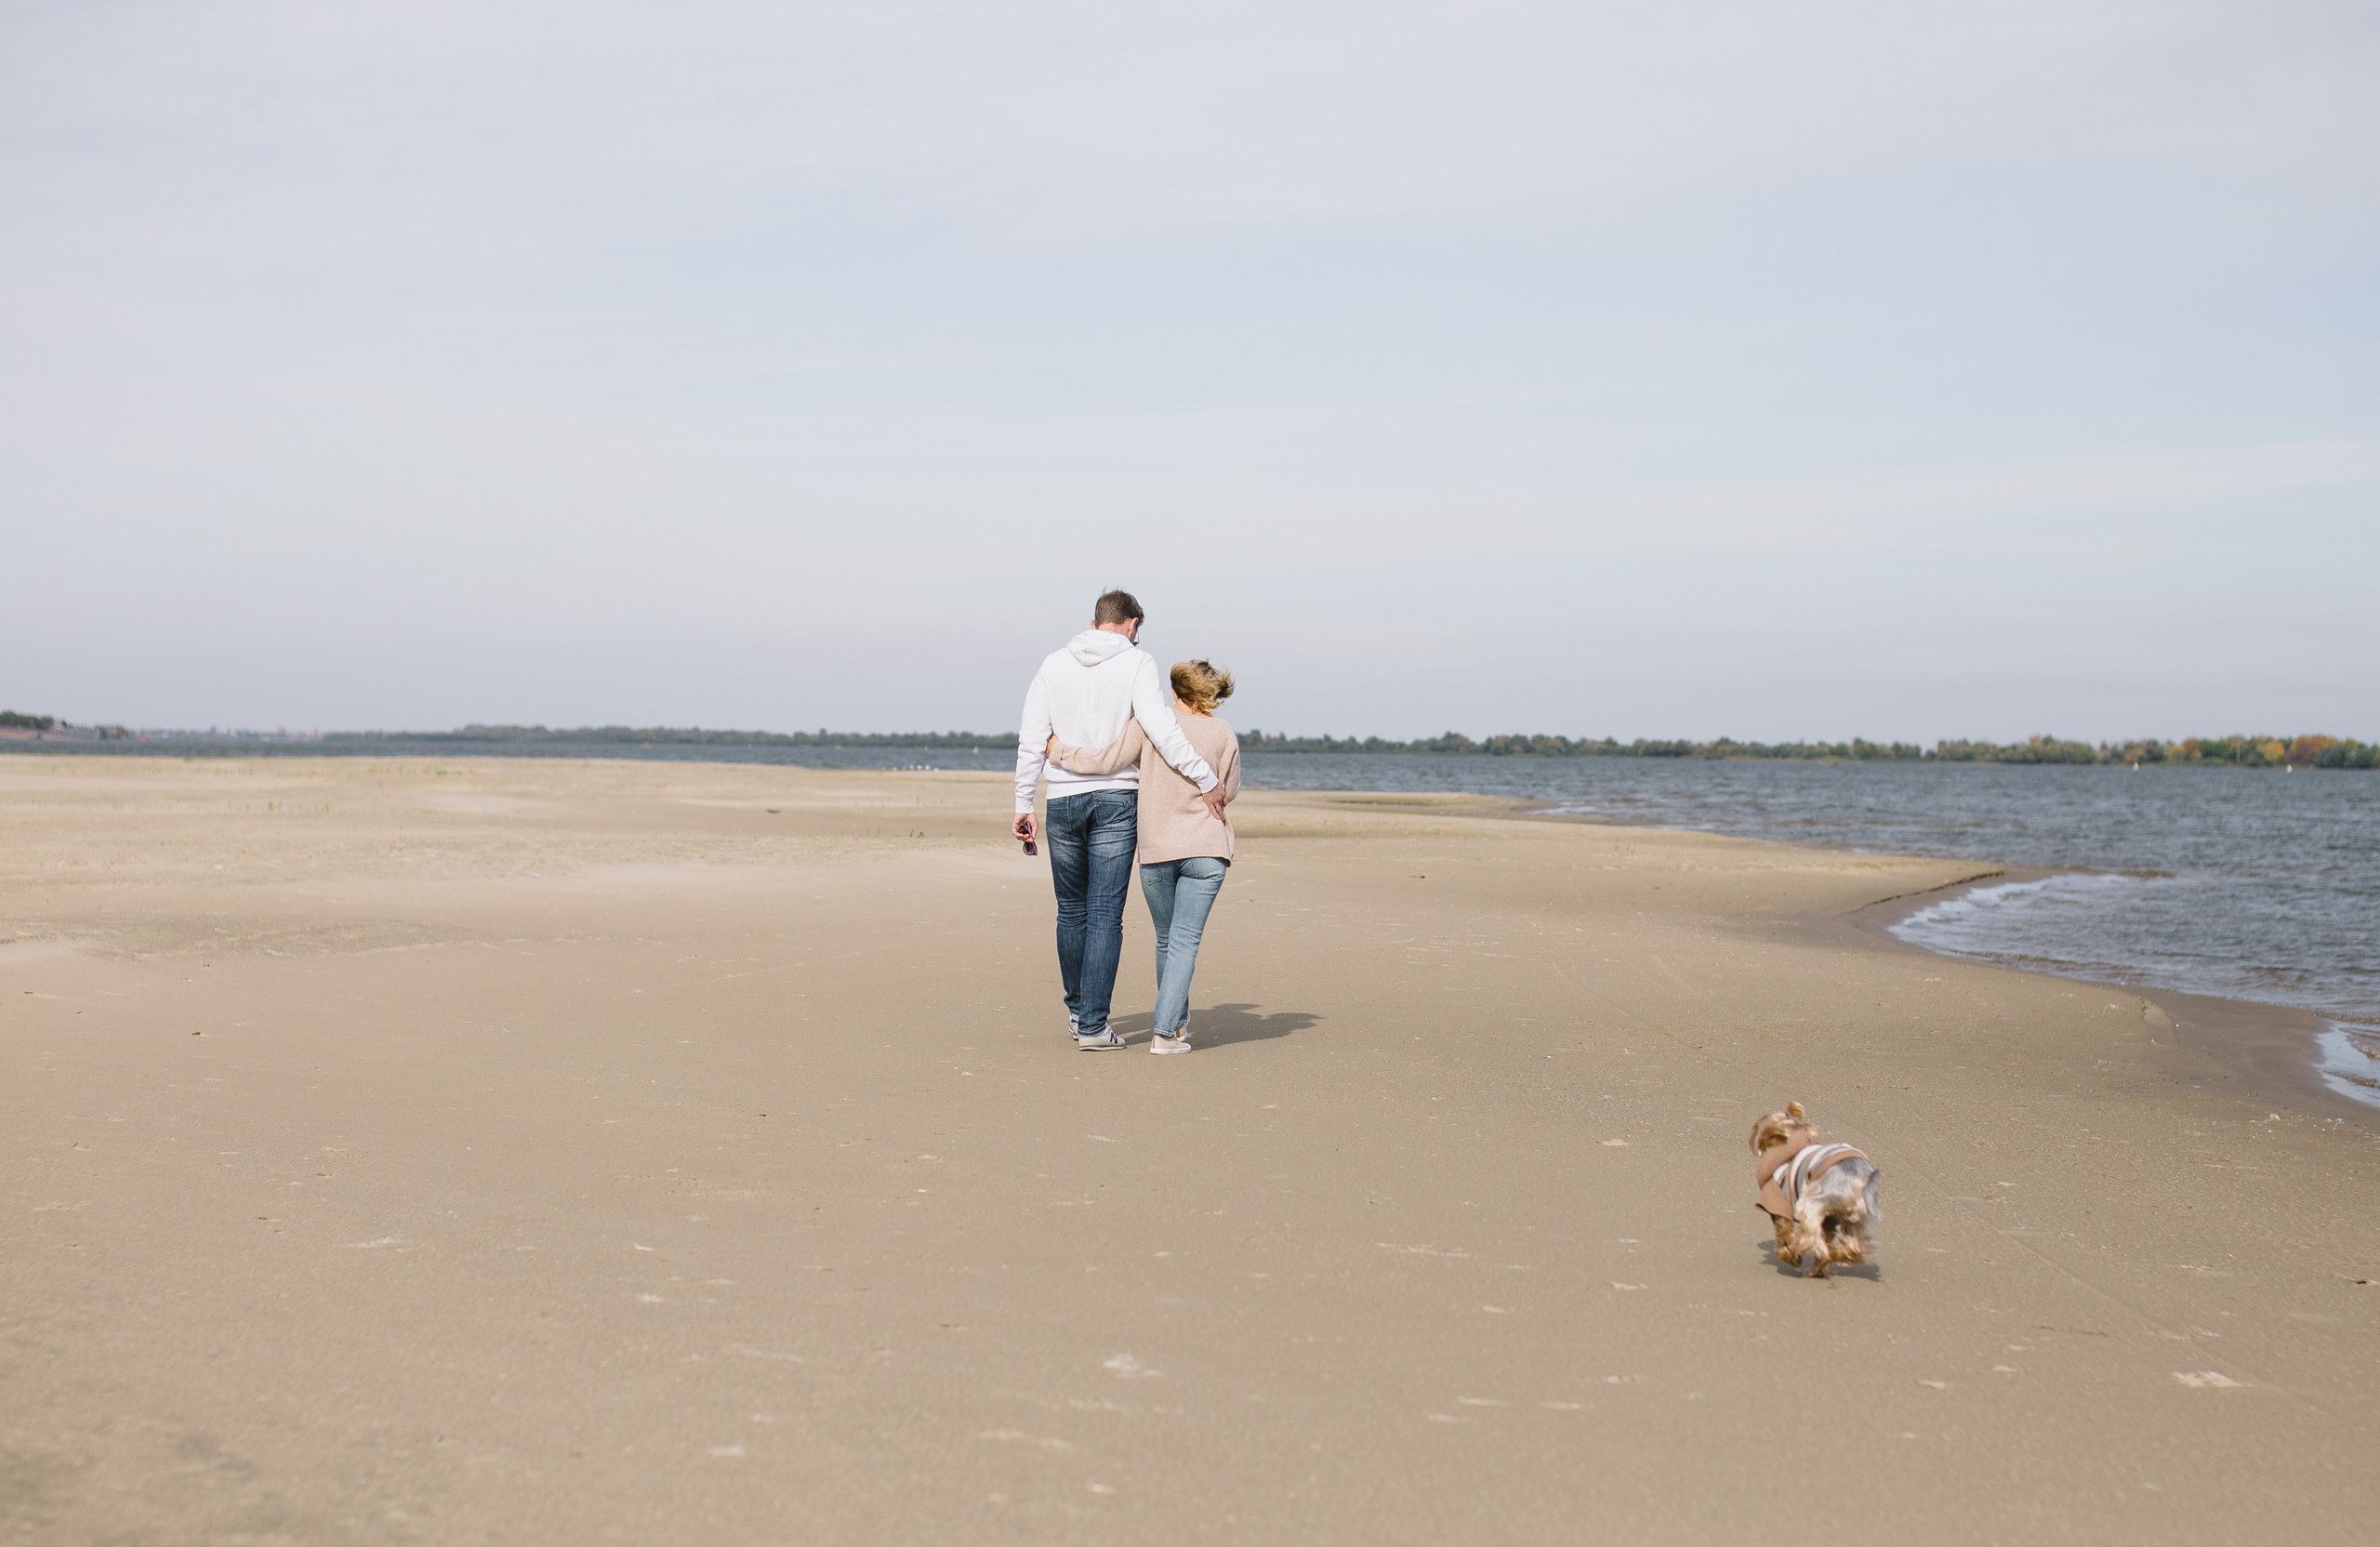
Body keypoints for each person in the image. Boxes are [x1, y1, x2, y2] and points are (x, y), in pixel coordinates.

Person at [1012, 591, 1225, 1051]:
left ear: (1093, 622)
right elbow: (1160, 727)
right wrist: (1205, 777)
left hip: (1063, 798)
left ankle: (1078, 1013)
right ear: (1131, 624)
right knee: (1105, 913)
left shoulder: (1053, 664)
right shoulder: (1137, 662)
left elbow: (1032, 737)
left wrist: (1022, 803)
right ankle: (1093, 1026)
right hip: (1116, 799)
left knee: (1070, 910)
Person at [1043, 659, 1241, 1054]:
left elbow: (1105, 761)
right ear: (1210, 695)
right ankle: (1166, 1033)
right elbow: (1228, 790)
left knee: (1168, 940)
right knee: (1184, 941)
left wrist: (1057, 750)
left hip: (1156, 851)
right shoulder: (1223, 733)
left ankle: (1174, 1025)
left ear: (1174, 690)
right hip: (1206, 849)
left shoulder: (1149, 723)